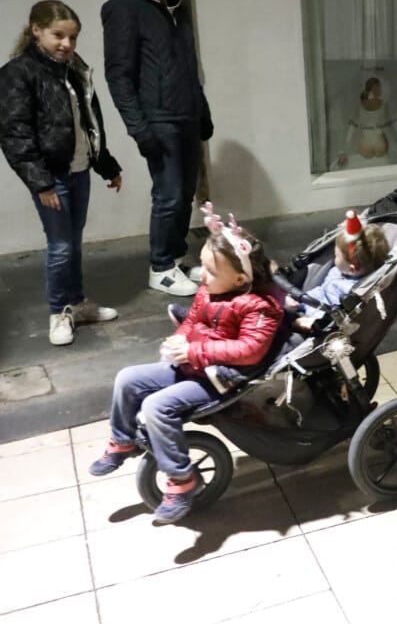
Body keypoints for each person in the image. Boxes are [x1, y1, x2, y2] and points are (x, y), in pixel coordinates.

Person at [88, 209, 284, 524]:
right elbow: (191, 322)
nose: (202, 276)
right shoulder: (209, 291)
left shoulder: (260, 307)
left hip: (219, 379)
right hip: (191, 362)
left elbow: (248, 351)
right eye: (203, 266)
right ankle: (122, 439)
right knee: (127, 379)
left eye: (209, 270)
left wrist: (194, 350)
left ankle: (183, 480)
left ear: (240, 279)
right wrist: (178, 341)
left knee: (156, 406)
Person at [1, 0, 124, 346]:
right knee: (59, 246)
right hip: (51, 176)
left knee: (73, 243)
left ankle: (78, 303)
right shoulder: (18, 73)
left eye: (72, 38)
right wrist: (40, 183)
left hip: (79, 170)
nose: (66, 44)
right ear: (35, 29)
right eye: (58, 35)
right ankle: (59, 313)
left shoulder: (74, 69)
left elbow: (89, 124)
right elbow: (15, 135)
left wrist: (106, 165)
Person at [102, 0, 213, 298]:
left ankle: (176, 259)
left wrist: (203, 111)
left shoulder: (175, 7)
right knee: (168, 194)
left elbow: (187, 65)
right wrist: (139, 128)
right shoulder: (123, 7)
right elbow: (118, 75)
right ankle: (160, 267)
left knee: (183, 194)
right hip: (158, 119)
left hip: (186, 115)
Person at [287, 211, 390, 332]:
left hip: (322, 319)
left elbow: (338, 316)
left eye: (336, 256)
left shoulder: (352, 291)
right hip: (311, 302)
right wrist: (299, 302)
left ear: (352, 268)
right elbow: (321, 292)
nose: (334, 258)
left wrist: (313, 322)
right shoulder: (339, 270)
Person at [336, 77, 397, 169]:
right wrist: (343, 152)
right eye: (378, 86)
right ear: (371, 88)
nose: (380, 89)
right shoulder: (359, 106)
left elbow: (389, 128)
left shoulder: (383, 105)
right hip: (365, 148)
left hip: (380, 148)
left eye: (380, 86)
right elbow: (351, 128)